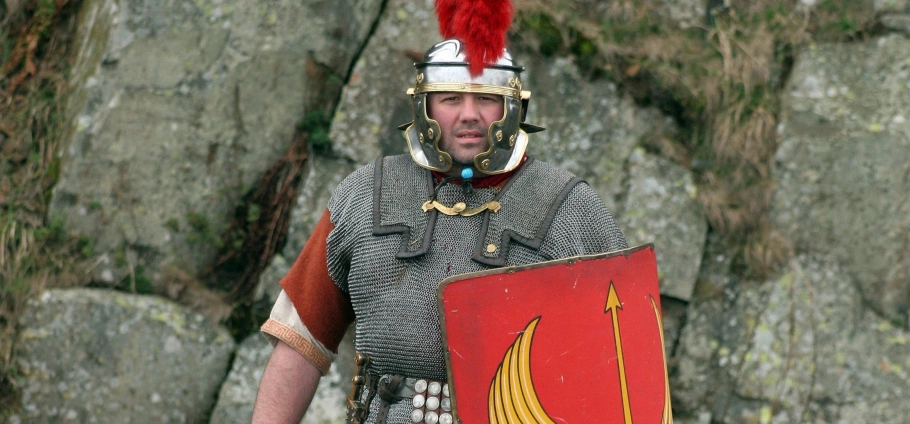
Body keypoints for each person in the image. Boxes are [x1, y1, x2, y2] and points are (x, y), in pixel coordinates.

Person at [252, 6, 627, 424]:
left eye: (487, 99)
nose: (469, 114)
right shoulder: (366, 195)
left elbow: (620, 367)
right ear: (425, 108)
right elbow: (300, 340)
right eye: (451, 98)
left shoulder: (568, 208)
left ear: (513, 108)